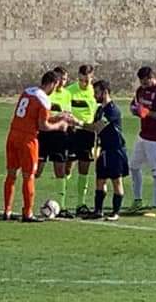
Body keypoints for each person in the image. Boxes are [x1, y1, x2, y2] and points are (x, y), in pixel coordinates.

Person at [2, 71, 72, 222]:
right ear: (52, 84)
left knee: (11, 174)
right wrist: (59, 125)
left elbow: (32, 116)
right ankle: (27, 213)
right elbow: (43, 125)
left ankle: (7, 210)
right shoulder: (44, 99)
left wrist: (58, 117)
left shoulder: (27, 92)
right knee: (29, 176)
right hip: (28, 139)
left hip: (13, 135)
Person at [82, 80, 128, 221]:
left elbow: (97, 127)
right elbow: (95, 129)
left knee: (116, 181)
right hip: (104, 149)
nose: (94, 95)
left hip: (115, 150)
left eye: (97, 92)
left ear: (105, 92)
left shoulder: (112, 110)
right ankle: (98, 211)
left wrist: (77, 123)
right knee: (100, 180)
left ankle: (115, 212)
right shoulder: (100, 110)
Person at [128, 66, 156, 217]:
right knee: (133, 167)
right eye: (141, 82)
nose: (143, 85)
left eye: (146, 82)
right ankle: (138, 200)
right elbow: (134, 106)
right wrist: (135, 110)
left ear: (153, 78)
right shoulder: (140, 90)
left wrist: (147, 113)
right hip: (143, 135)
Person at [35, 67, 73, 217]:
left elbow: (67, 113)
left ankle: (62, 206)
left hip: (60, 136)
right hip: (44, 134)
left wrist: (68, 120)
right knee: (37, 170)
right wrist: (58, 117)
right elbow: (43, 117)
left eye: (64, 79)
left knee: (60, 170)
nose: (61, 82)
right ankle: (28, 203)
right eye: (59, 79)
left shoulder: (67, 94)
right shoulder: (44, 95)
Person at [65, 64, 98, 216]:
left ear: (92, 78)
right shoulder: (70, 91)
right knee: (67, 167)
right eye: (82, 80)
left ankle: (80, 203)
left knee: (84, 168)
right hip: (72, 133)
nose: (85, 83)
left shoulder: (94, 92)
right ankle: (61, 202)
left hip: (88, 133)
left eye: (87, 80)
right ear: (78, 77)